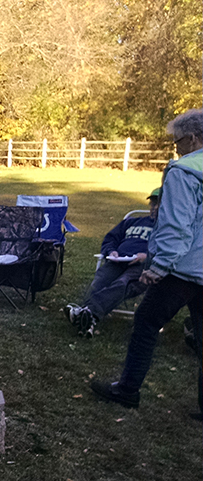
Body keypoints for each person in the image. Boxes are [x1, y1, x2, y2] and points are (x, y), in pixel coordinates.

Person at [91, 109, 203, 413]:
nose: (176, 148)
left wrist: (160, 266)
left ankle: (127, 390)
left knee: (146, 322)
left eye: (178, 142)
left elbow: (177, 225)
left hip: (183, 269)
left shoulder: (185, 171)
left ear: (193, 138)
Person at [64, 189, 161, 337]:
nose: (154, 207)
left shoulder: (167, 230)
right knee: (101, 279)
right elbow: (111, 239)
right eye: (152, 203)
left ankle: (87, 312)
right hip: (118, 260)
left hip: (143, 265)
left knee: (123, 283)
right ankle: (88, 319)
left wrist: (147, 256)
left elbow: (169, 254)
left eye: (159, 204)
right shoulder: (132, 221)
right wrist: (111, 252)